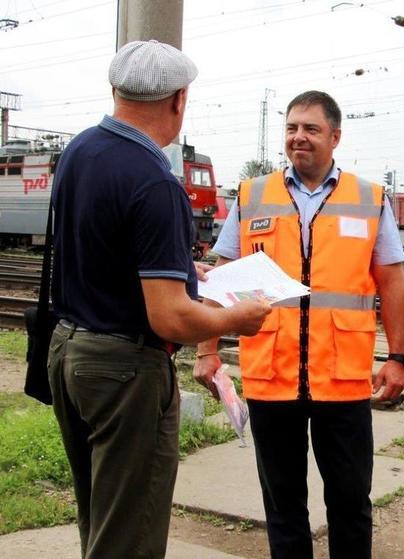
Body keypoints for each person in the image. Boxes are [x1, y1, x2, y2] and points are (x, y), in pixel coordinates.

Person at [47, 40, 270, 559]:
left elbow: (96, 246)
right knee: (132, 535)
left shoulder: (80, 150)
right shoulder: (154, 182)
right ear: (178, 100)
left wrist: (177, 268)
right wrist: (240, 316)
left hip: (70, 355)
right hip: (124, 372)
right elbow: (170, 317)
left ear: (115, 90)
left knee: (102, 519)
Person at [193, 90, 404, 559]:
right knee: (283, 504)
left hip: (344, 381)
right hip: (272, 377)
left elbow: (392, 284)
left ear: (335, 136)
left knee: (350, 502)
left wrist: (397, 358)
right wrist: (207, 350)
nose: (299, 137)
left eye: (311, 129)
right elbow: (220, 276)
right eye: (292, 128)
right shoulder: (252, 195)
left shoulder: (369, 198)